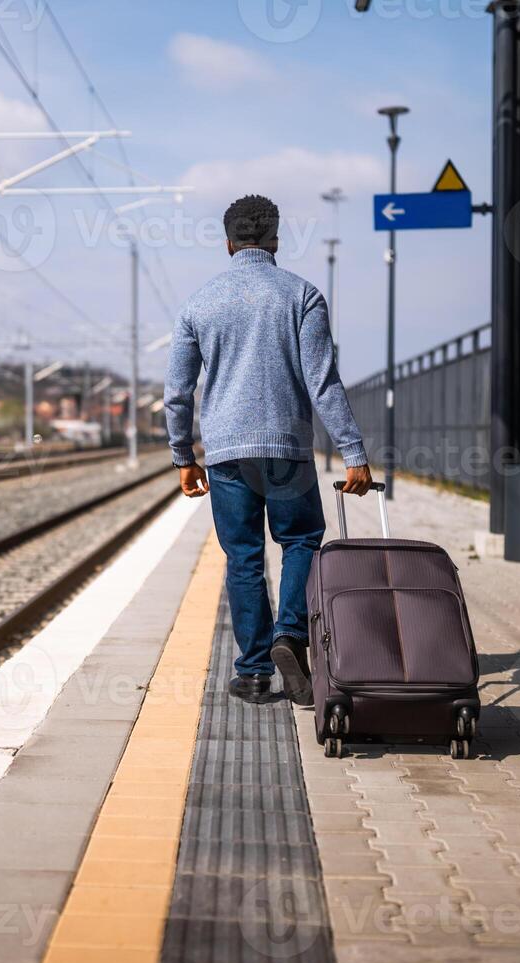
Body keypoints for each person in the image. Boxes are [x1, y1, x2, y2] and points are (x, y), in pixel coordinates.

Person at [164, 194, 372, 706]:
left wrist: (183, 457)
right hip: (288, 449)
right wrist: (353, 450)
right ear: (276, 239)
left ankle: (254, 672)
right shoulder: (302, 295)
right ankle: (291, 636)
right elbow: (322, 381)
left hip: (227, 453)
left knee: (243, 557)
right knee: (300, 541)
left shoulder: (199, 304)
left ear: (228, 242)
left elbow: (177, 391)